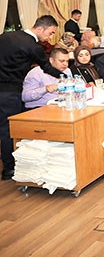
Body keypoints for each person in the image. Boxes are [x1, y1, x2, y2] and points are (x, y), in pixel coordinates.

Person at [0, 15, 63, 180]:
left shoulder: (6, 36)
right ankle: (9, 168)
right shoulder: (33, 46)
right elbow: (47, 67)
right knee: (8, 129)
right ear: (40, 28)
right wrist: (64, 77)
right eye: (50, 33)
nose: (50, 37)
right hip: (9, 91)